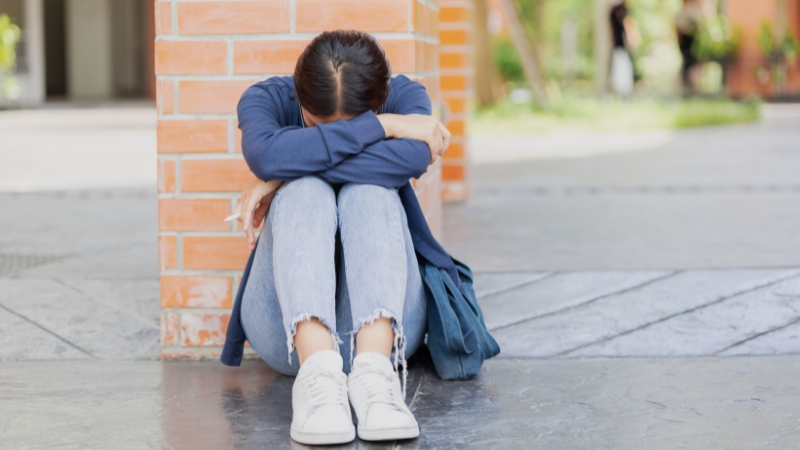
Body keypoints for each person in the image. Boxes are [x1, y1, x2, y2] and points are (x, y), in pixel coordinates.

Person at [222, 30, 452, 445]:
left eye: (359, 122)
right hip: (285, 333)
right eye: (317, 125)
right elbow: (266, 154)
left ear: (379, 97)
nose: (336, 137)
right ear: (300, 94)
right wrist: (383, 127)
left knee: (368, 190)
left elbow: (413, 158)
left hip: (391, 331)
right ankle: (319, 384)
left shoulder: (404, 96)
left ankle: (376, 382)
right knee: (304, 191)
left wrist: (281, 172)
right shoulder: (265, 100)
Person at [609, 1, 641, 96]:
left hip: (621, 45)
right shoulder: (617, 10)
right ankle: (621, 90)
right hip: (619, 45)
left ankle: (624, 90)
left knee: (624, 67)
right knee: (621, 67)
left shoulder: (621, 10)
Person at [676, 0, 703, 94]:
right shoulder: (684, 12)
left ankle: (692, 86)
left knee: (692, 65)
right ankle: (687, 86)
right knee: (688, 64)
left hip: (692, 43)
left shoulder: (694, 11)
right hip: (686, 43)